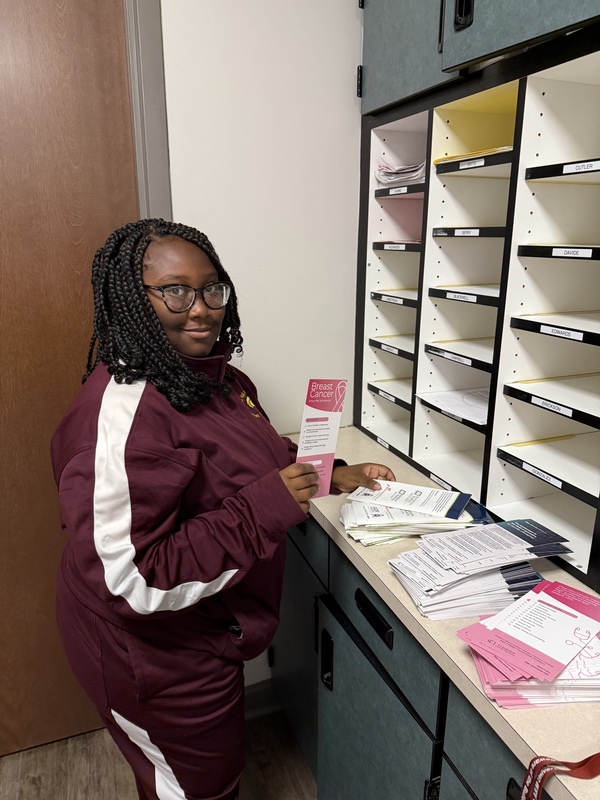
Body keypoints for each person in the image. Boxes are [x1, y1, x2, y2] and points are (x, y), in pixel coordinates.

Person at [51, 219, 395, 800]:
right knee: (193, 788)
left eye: (213, 288)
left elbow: (254, 454)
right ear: (132, 300)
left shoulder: (216, 377)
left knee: (213, 774)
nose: (202, 309)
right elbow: (130, 581)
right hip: (151, 655)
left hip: (208, 631)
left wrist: (332, 474)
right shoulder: (122, 416)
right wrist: (264, 509)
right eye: (175, 291)